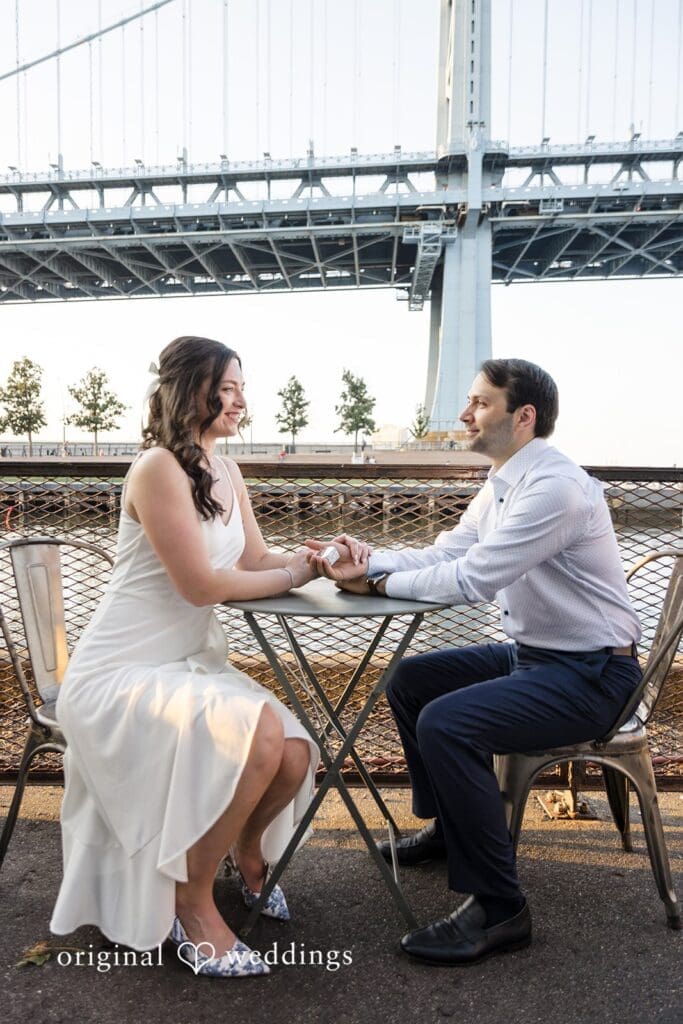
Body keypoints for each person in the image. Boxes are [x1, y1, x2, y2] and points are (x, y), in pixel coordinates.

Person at [308, 358, 641, 966]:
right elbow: (449, 551)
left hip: (594, 674)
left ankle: (501, 907)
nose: (463, 414)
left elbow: (473, 580)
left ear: (524, 417)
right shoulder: (504, 481)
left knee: (448, 723)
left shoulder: (555, 488)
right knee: (411, 681)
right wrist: (370, 559)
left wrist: (375, 588)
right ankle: (449, 829)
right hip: (538, 656)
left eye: (480, 403)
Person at [50, 336, 355, 978]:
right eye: (230, 386)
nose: (243, 398)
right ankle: (192, 904)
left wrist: (322, 560)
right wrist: (293, 576)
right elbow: (202, 585)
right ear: (194, 389)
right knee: (262, 733)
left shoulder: (227, 470)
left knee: (297, 754)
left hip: (186, 662)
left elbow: (254, 561)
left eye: (243, 386)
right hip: (120, 671)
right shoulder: (156, 468)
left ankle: (246, 852)